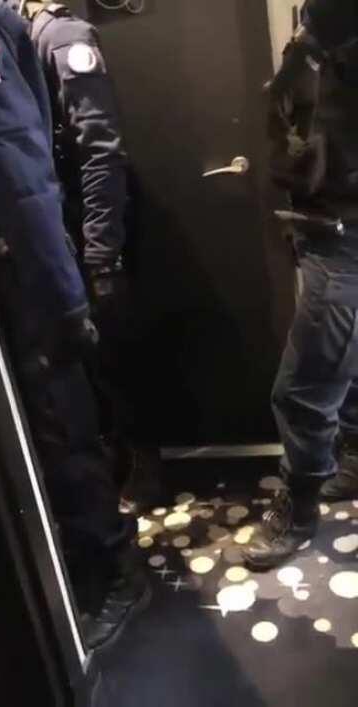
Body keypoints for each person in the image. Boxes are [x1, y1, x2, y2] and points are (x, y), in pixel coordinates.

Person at [0, 0, 149, 648]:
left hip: (33, 260)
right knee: (59, 425)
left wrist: (96, 262)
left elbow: (81, 158)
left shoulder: (56, 35)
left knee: (63, 424)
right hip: (30, 257)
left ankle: (113, 561)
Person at [8, 0, 165, 515]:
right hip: (54, 229)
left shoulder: (62, 38)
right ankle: (111, 456)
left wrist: (101, 253)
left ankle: (143, 462)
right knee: (82, 358)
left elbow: (100, 152)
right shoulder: (16, 35)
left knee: (114, 352)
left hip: (89, 227)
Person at [243, 0, 358, 571]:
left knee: (303, 387)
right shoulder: (322, 23)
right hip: (325, 224)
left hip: (346, 234)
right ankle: (352, 460)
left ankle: (300, 509)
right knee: (344, 366)